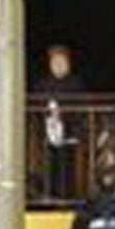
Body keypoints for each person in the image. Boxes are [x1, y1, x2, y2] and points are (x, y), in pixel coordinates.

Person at [32, 43, 88, 202]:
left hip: (70, 131)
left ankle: (68, 197)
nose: (58, 65)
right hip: (49, 132)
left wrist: (65, 114)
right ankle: (52, 196)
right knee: (50, 165)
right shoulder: (43, 84)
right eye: (55, 62)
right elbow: (37, 104)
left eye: (61, 62)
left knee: (68, 166)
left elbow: (82, 106)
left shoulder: (76, 83)